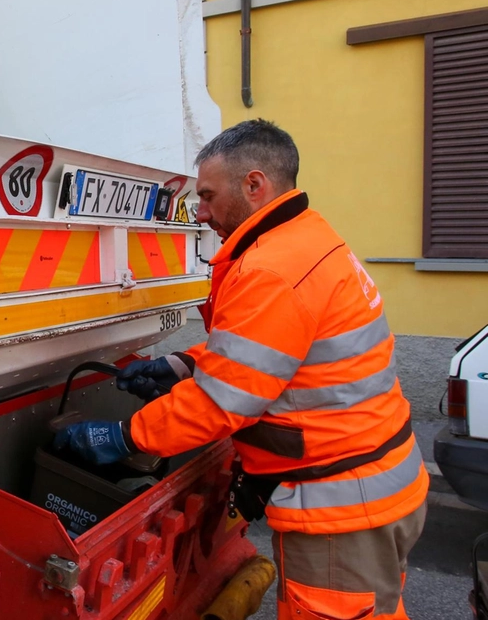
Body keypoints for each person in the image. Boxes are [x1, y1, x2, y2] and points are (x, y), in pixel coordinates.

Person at [57, 120, 427, 620]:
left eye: (208, 195)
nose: (201, 211)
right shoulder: (308, 242)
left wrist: (123, 436)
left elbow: (221, 403)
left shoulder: (271, 270)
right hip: (379, 488)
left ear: (255, 185)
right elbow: (278, 358)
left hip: (342, 511)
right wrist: (183, 364)